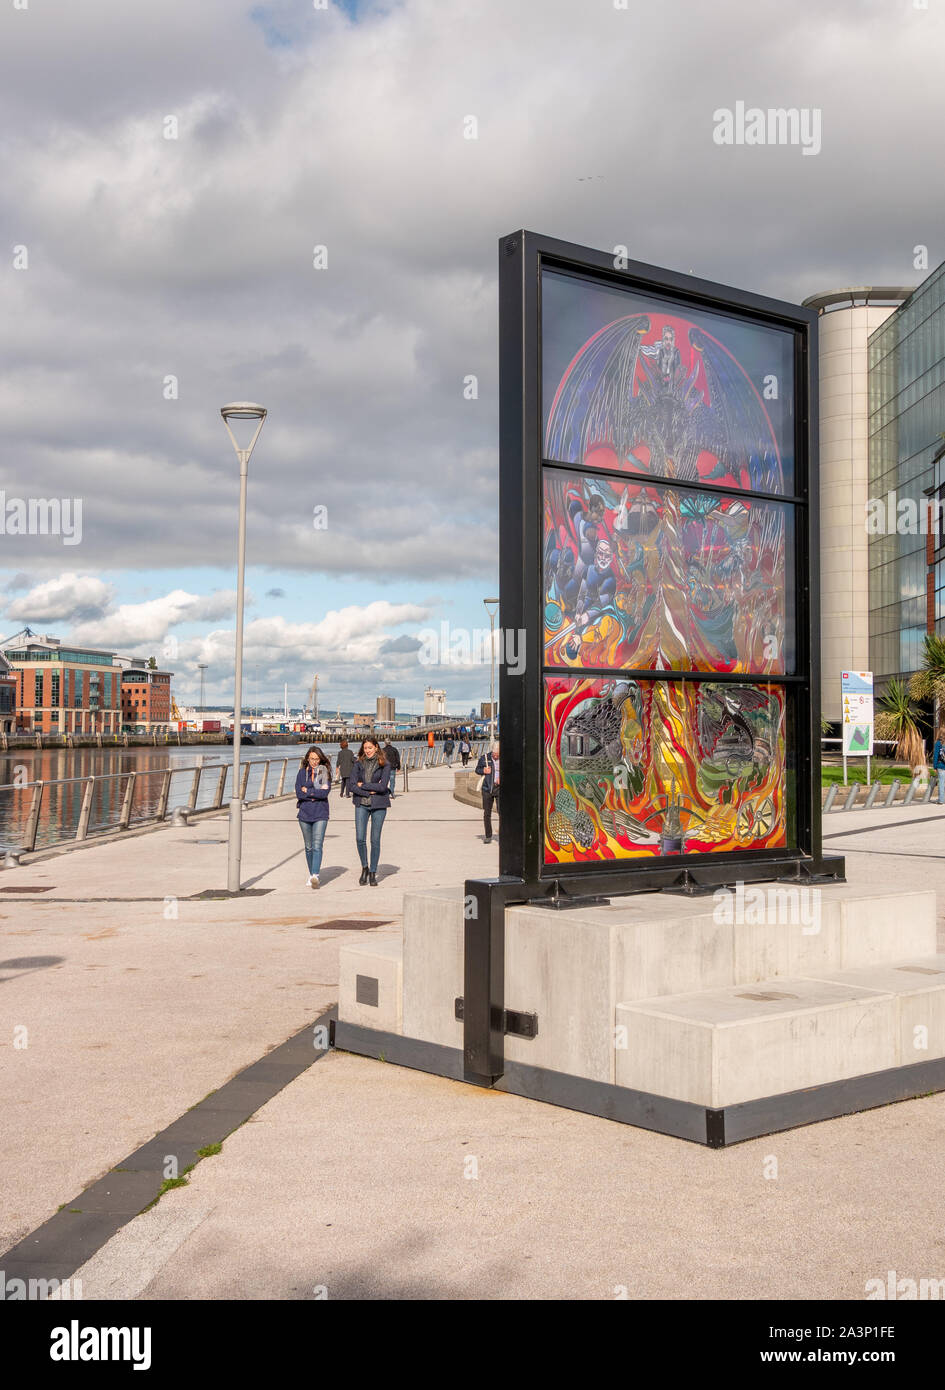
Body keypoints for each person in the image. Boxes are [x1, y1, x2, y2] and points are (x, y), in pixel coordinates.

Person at [350, 738, 391, 886]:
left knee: (375, 840)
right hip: (361, 803)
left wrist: (364, 785)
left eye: (370, 748)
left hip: (379, 805)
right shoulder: (357, 763)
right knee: (360, 838)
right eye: (365, 748)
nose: (367, 750)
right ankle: (365, 867)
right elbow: (352, 785)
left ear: (376, 747)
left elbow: (383, 787)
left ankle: (373, 871)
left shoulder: (385, 764)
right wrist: (369, 790)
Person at [295, 746, 332, 887]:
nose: (314, 762)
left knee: (317, 845)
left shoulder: (323, 772)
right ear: (307, 759)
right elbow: (299, 793)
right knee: (308, 847)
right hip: (304, 813)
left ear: (320, 759)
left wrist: (308, 792)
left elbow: (324, 793)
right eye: (312, 759)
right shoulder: (301, 773)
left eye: (317, 759)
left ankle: (315, 874)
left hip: (320, 813)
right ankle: (311, 875)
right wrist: (314, 792)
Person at [475, 741, 500, 844]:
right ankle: (488, 835)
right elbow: (477, 770)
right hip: (487, 789)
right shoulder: (485, 758)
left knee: (502, 812)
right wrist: (484, 770)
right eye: (494, 754)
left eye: (497, 755)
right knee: (487, 813)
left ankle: (503, 834)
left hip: (499, 789)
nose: (495, 756)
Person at [933, 730, 945, 805]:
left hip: (941, 766)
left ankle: (941, 800)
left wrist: (935, 766)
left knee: (941, 782)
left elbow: (936, 756)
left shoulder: (938, 743)